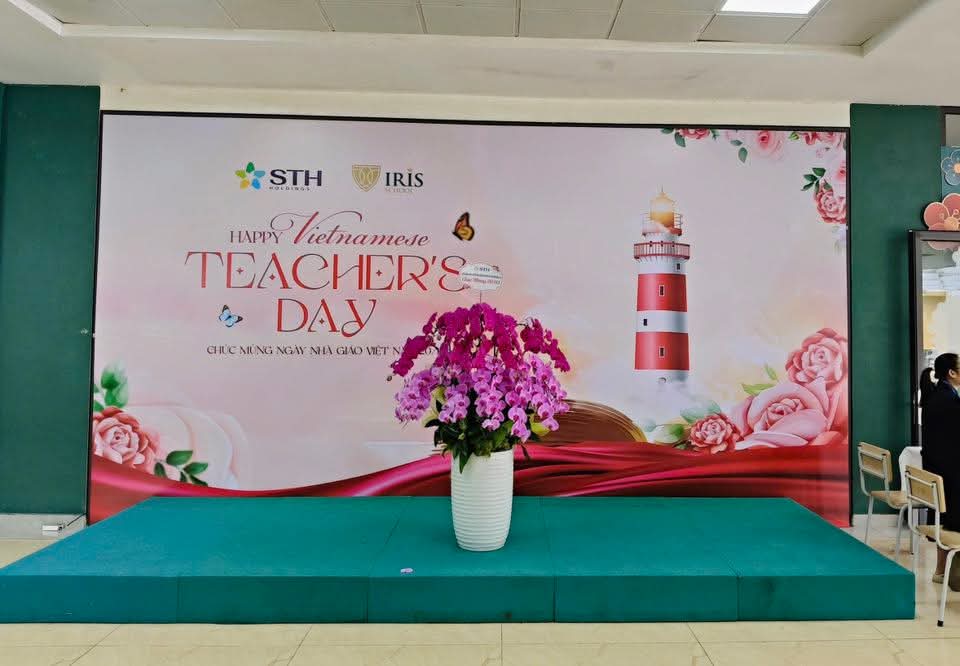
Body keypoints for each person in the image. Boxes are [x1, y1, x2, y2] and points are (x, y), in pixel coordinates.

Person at [919, 353, 960, 587]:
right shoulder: (949, 401)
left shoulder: (937, 396)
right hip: (950, 479)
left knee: (945, 517)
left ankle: (941, 570)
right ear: (952, 373)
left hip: (940, 476)